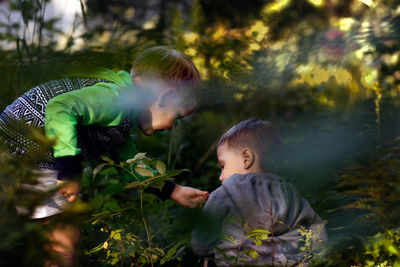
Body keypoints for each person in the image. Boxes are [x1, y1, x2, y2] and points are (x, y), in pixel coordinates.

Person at [0, 46, 209, 266]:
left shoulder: (122, 120)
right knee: (62, 236)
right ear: (167, 97)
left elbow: (131, 165)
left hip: (17, 148)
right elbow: (60, 107)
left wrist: (173, 191)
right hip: (24, 149)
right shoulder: (115, 99)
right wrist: (69, 169)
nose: (171, 126)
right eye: (176, 117)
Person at [191, 118, 327, 266]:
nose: (220, 176)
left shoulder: (225, 193)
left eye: (223, 166)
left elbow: (201, 244)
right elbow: (318, 232)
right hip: (287, 262)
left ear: (246, 158)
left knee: (209, 259)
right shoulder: (290, 192)